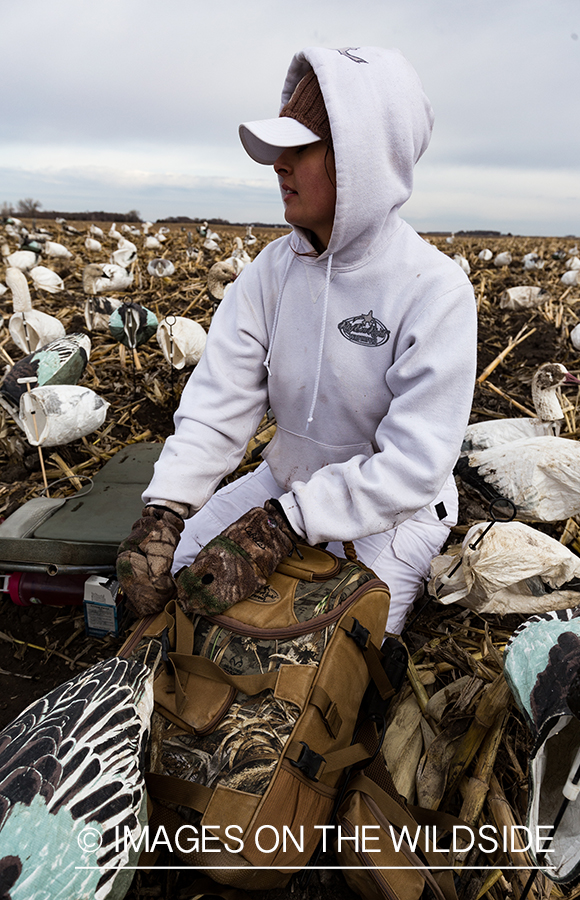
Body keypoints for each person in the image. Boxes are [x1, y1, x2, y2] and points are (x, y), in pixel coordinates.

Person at [117, 45, 477, 635]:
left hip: (392, 516)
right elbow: (218, 402)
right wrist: (165, 509)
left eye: (300, 148)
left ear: (364, 161)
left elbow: (414, 464)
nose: (279, 164)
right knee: (180, 590)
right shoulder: (270, 272)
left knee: (324, 647)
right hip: (284, 486)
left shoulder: (433, 291)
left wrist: (285, 526)